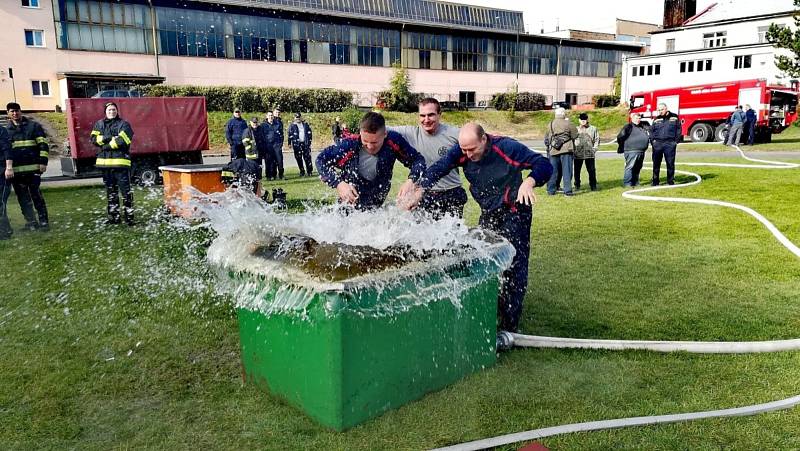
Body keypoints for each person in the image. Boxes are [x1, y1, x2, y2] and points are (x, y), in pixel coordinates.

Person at [407, 123, 552, 335]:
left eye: (472, 149)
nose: (467, 154)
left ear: (484, 139)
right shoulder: (463, 150)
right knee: (485, 259)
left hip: (515, 212)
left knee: (514, 265)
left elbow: (544, 164)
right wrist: (421, 189)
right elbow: (441, 166)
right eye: (464, 149)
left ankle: (510, 326)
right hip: (489, 212)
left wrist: (529, 181)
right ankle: (489, 310)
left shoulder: (508, 147)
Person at [315, 112, 426, 211]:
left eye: (375, 142)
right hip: (348, 206)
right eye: (365, 141)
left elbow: (418, 160)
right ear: (360, 133)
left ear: (385, 134)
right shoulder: (349, 145)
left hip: (375, 206)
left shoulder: (393, 141)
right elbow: (320, 160)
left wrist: (411, 180)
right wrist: (339, 184)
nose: (369, 146)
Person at [390, 97, 467, 219]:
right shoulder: (409, 133)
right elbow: (379, 128)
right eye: (422, 115)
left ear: (439, 115)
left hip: (451, 192)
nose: (426, 120)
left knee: (452, 236)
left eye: (431, 115)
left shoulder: (454, 134)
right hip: (422, 195)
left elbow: (477, 139)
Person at [5, 102, 49, 231]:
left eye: (17, 110)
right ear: (8, 113)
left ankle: (44, 221)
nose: (15, 113)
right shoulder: (6, 131)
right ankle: (31, 222)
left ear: (21, 111)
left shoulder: (34, 126)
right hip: (17, 171)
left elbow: (43, 145)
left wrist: (43, 162)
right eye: (12, 111)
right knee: (23, 198)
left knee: (36, 196)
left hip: (34, 169)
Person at [90, 101, 135, 225]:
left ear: (117, 111)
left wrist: (105, 145)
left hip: (120, 165)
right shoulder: (99, 124)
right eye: (109, 110)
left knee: (126, 192)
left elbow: (123, 140)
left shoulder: (124, 124)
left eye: (114, 109)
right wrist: (110, 138)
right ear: (105, 111)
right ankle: (114, 218)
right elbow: (93, 139)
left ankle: (129, 218)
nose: (112, 112)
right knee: (111, 192)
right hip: (106, 166)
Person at [544, 108, 578, 196]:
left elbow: (547, 138)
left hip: (553, 150)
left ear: (556, 114)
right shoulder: (569, 123)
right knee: (567, 171)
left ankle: (551, 190)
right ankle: (568, 191)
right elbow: (575, 135)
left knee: (553, 171)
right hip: (566, 150)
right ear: (564, 114)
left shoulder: (550, 124)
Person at [649, 103, 681, 186]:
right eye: (659, 110)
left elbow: (679, 129)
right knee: (656, 164)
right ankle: (655, 181)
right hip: (658, 144)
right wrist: (653, 142)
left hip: (670, 144)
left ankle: (670, 181)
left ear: (666, 108)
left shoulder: (674, 117)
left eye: (662, 109)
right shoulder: (656, 119)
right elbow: (651, 131)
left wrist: (675, 141)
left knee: (670, 163)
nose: (660, 111)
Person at [616, 112, 650, 187]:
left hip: (641, 151)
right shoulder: (628, 126)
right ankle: (627, 183)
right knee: (630, 167)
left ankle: (635, 182)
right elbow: (620, 137)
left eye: (639, 118)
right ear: (632, 118)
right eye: (636, 118)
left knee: (638, 167)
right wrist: (624, 146)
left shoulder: (642, 126)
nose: (638, 119)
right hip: (631, 150)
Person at [573, 112, 600, 191]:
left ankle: (593, 185)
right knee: (577, 171)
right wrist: (574, 150)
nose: (583, 121)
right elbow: (572, 140)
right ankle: (577, 184)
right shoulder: (575, 129)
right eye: (581, 120)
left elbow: (597, 139)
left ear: (587, 120)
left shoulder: (593, 128)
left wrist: (594, 149)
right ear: (579, 120)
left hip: (590, 153)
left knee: (591, 170)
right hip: (578, 153)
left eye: (584, 119)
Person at [288, 112, 314, 177]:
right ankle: (302, 171)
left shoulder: (305, 124)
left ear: (301, 117)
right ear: (294, 118)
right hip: (297, 144)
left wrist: (309, 142)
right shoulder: (292, 126)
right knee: (299, 158)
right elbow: (289, 135)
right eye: (296, 117)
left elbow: (310, 133)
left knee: (307, 158)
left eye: (299, 117)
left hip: (305, 143)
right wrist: (289, 143)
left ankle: (309, 171)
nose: (298, 119)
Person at [0, 125, 11, 239]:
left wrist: (9, 167)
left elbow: (7, 149)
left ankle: (4, 232)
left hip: (1, 170)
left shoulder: (1, 130)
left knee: (0, 201)